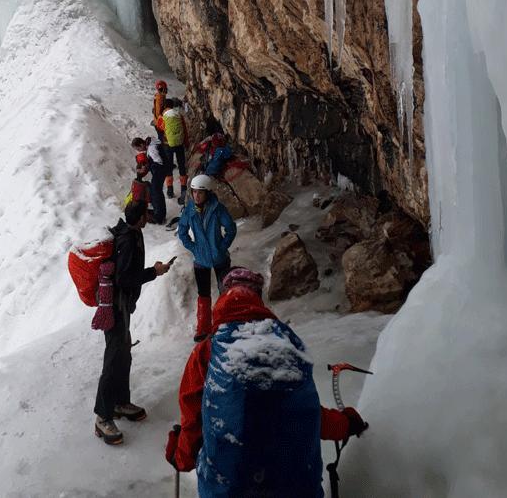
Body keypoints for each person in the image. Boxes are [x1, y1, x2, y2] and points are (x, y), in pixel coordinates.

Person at [165, 268, 368, 498]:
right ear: (258, 299)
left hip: (227, 489)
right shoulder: (288, 347)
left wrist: (179, 456)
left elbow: (193, 422)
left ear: (223, 297)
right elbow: (305, 414)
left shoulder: (207, 354)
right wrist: (346, 424)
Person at [94, 200, 174, 445]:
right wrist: (155, 271)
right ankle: (102, 416)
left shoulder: (131, 232)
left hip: (121, 307)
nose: (147, 217)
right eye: (145, 215)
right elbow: (124, 278)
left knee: (123, 356)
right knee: (113, 358)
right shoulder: (128, 240)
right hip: (116, 309)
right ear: (140, 218)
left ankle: (119, 402)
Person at [177, 174, 237, 341]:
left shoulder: (218, 208)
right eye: (194, 192)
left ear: (207, 193)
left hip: (220, 257)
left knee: (224, 291)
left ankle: (223, 324)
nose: (196, 196)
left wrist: (222, 247)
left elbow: (231, 228)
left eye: (200, 193)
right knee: (203, 294)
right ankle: (203, 328)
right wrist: (194, 248)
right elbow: (182, 232)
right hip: (201, 259)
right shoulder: (189, 210)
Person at [157, 98, 190, 202]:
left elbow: (160, 127)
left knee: (168, 167)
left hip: (167, 145)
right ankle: (184, 189)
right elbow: (184, 129)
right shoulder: (179, 115)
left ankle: (170, 190)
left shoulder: (162, 117)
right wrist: (186, 143)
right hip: (179, 144)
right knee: (181, 167)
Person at [132, 135, 168, 224]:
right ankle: (159, 213)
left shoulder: (152, 149)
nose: (139, 151)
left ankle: (158, 216)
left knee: (156, 192)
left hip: (160, 171)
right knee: (156, 191)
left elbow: (158, 162)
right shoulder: (150, 145)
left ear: (141, 145)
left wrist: (146, 168)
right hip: (160, 170)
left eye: (138, 149)